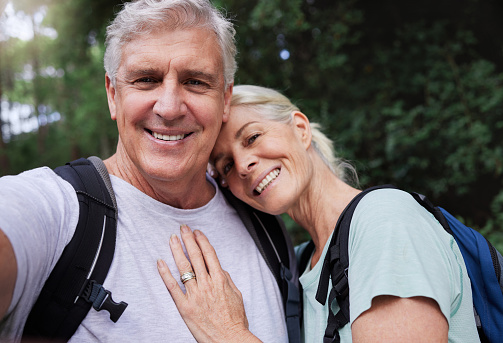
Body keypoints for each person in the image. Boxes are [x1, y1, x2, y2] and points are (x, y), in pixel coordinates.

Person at [0, 3, 293, 342]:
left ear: (225, 99)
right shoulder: (60, 210)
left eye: (195, 82)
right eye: (146, 80)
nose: (169, 108)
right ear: (113, 94)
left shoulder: (263, 225)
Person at [157, 85, 481, 342]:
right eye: (226, 165)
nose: (242, 166)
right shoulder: (295, 265)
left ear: (300, 128)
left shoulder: (385, 222)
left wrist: (228, 334)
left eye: (253, 137)